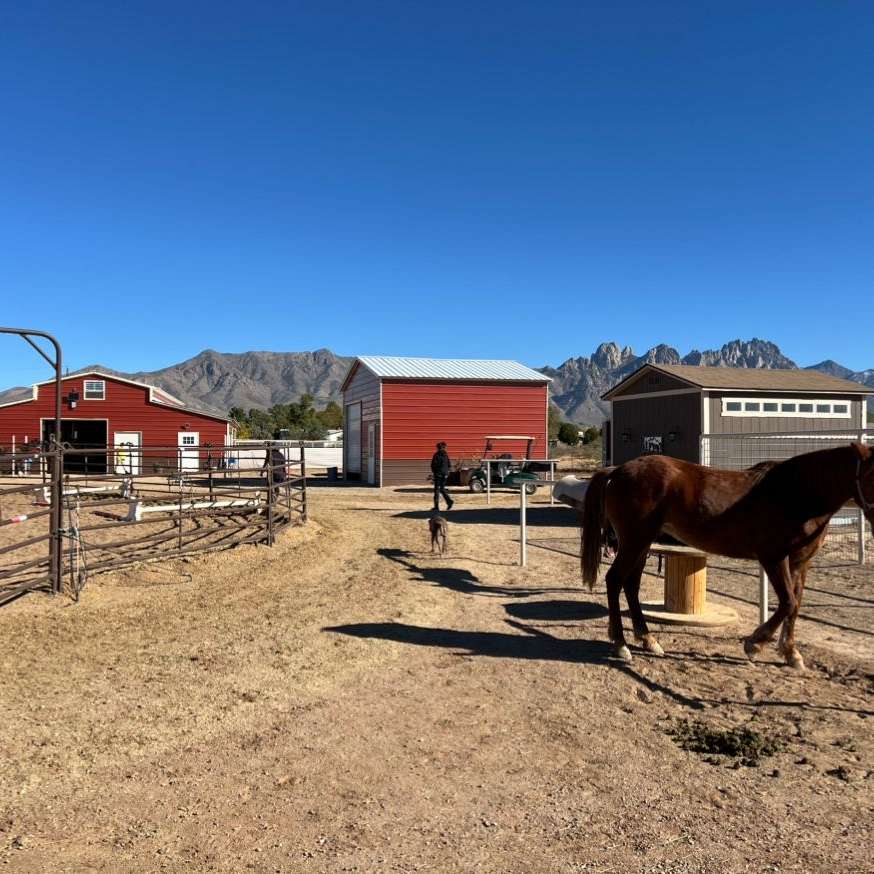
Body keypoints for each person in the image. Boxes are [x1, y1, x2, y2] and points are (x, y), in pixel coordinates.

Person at [430, 441, 454, 511]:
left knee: (437, 490)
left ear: (438, 448)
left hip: (438, 474)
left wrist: (434, 473)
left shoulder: (436, 455)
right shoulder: (446, 455)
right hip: (445, 474)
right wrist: (447, 473)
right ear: (444, 447)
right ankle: (449, 501)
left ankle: (436, 507)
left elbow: (433, 465)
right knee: (442, 489)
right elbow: (449, 465)